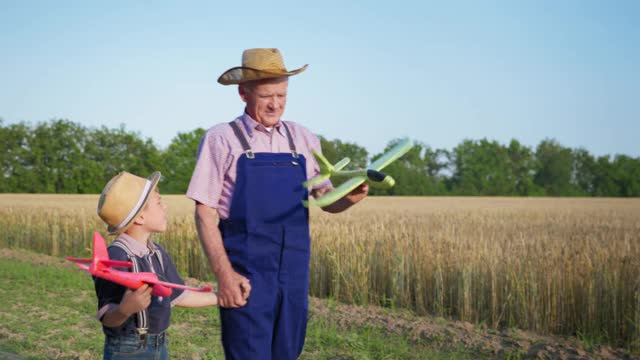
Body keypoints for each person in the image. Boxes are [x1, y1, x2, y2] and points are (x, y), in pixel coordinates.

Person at [187, 48, 368, 360]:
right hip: (247, 273)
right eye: (267, 95)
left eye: (282, 95)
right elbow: (204, 213)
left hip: (294, 271)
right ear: (244, 93)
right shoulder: (222, 139)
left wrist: (347, 199)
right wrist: (225, 276)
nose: (275, 104)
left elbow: (324, 199)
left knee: (288, 352)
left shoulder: (304, 138)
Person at [95, 171, 218, 359]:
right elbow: (107, 317)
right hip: (128, 348)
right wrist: (125, 310)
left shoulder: (157, 253)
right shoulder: (116, 256)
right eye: (159, 202)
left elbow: (179, 295)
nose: (165, 206)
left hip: (159, 345)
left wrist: (219, 297)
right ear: (140, 218)